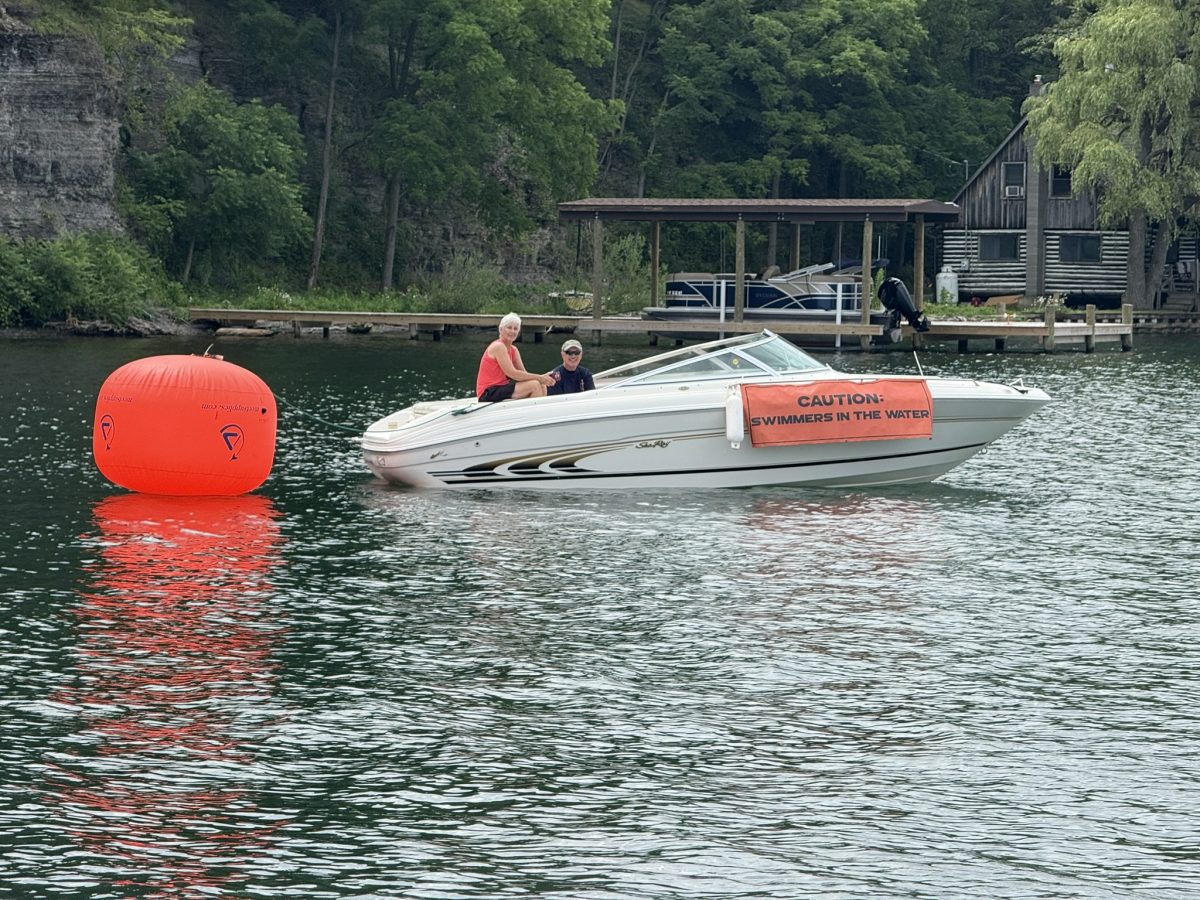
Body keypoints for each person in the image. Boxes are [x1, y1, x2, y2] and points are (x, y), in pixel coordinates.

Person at [475, 312, 556, 402]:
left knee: (541, 384)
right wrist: (540, 377)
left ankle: (535, 409)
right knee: (534, 385)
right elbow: (513, 374)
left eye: (515, 329)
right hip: (488, 392)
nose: (512, 331)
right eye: (509, 328)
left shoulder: (513, 350)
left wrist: (543, 378)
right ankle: (532, 410)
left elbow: (523, 373)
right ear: (501, 329)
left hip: (501, 388)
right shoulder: (498, 346)